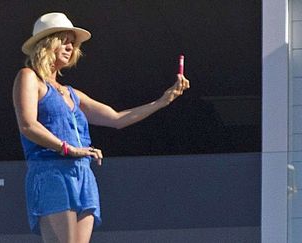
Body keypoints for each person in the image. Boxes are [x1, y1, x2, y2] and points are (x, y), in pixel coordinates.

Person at [13, 12, 190, 243]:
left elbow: (117, 118)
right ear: (48, 44)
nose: (70, 47)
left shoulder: (71, 93)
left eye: (72, 43)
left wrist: (163, 100)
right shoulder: (29, 77)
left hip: (82, 173)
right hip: (52, 171)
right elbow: (28, 125)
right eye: (64, 41)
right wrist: (68, 148)